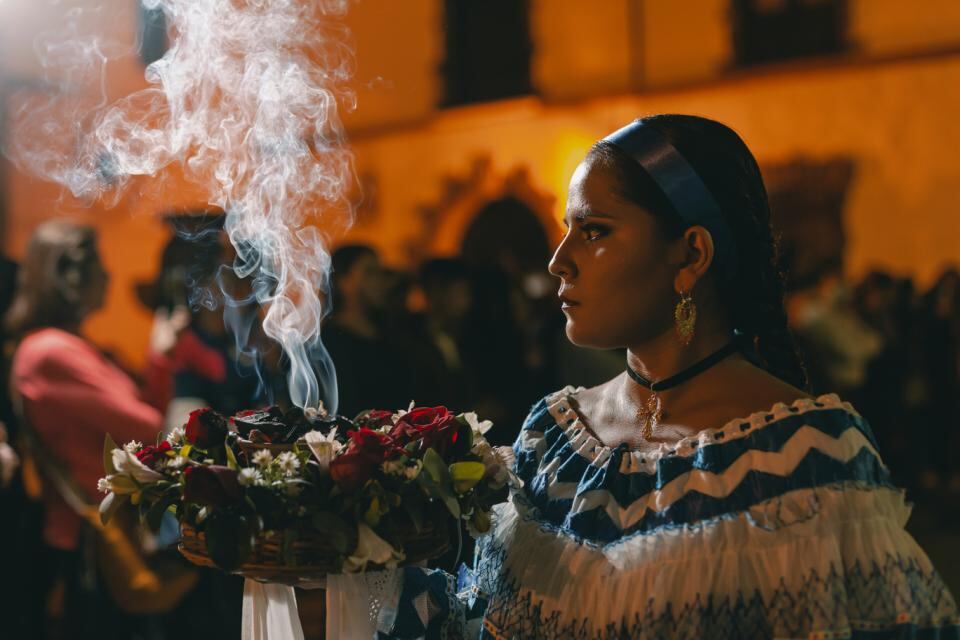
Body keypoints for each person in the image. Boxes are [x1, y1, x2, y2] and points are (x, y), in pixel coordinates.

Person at [335, 115, 958, 638]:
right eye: (565, 230)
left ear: (690, 254)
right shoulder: (555, 436)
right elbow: (481, 617)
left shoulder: (803, 456)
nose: (559, 261)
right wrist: (353, 555)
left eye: (595, 231)